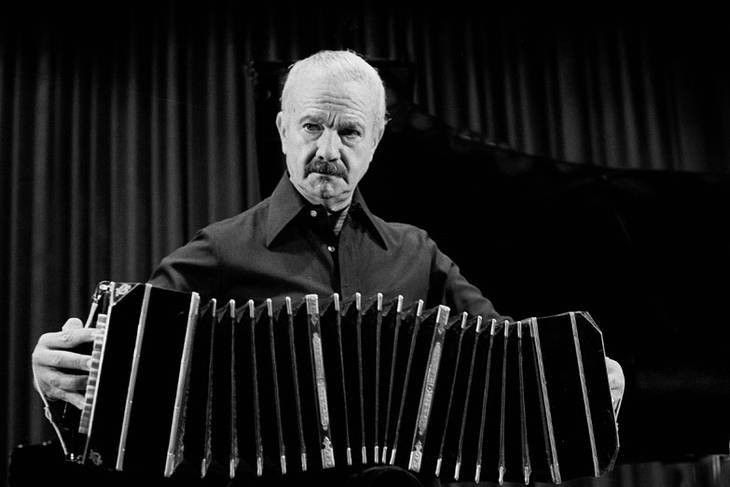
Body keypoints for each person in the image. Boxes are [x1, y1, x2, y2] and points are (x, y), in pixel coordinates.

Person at [32, 48, 625, 438]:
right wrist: (59, 377)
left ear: (377, 140)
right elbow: (122, 367)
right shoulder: (220, 250)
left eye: (349, 131)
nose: (328, 150)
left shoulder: (418, 255)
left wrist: (584, 380)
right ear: (283, 128)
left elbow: (512, 359)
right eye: (313, 126)